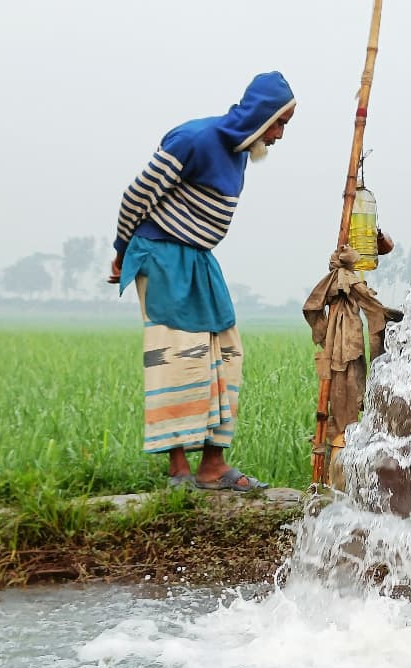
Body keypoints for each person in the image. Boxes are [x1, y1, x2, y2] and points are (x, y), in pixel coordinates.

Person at [108, 71, 295, 491]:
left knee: (226, 351)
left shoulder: (241, 152)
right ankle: (178, 469)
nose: (281, 134)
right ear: (261, 116)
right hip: (163, 254)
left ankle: (213, 465)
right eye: (280, 122)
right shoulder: (193, 139)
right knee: (177, 354)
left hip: (199, 258)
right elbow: (136, 196)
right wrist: (122, 253)